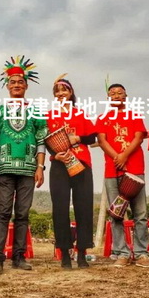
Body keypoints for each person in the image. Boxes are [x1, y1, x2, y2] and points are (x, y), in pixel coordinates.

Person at [0, 56, 48, 275]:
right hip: (3, 169)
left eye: (20, 82)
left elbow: (40, 141)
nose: (17, 85)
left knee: (23, 213)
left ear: (26, 86)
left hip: (28, 168)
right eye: (13, 82)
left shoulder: (36, 111)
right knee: (2, 212)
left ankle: (19, 256)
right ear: (7, 86)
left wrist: (40, 167)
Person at [96, 83, 149, 268]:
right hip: (112, 171)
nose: (116, 95)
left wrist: (125, 155)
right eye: (112, 93)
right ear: (108, 98)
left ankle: (141, 252)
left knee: (140, 213)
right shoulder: (103, 118)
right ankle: (121, 252)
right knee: (116, 214)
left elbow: (138, 137)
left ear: (126, 96)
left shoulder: (134, 114)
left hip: (135, 169)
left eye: (120, 93)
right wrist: (117, 157)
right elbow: (102, 141)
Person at [47, 75, 96, 269]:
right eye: (57, 91)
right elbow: (44, 141)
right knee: (60, 208)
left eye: (64, 90)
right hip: (59, 164)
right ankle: (65, 254)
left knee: (83, 207)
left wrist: (77, 139)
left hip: (81, 163)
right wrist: (55, 155)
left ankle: (82, 252)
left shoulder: (80, 114)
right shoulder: (49, 115)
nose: (61, 94)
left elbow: (92, 137)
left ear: (71, 93)